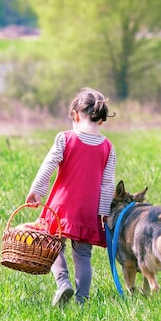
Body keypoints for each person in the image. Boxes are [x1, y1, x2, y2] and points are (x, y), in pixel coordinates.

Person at [26, 87, 116, 306]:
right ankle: (82, 300)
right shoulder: (108, 147)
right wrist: (103, 212)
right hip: (88, 211)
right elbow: (107, 183)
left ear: (75, 116)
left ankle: (63, 282)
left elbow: (48, 166)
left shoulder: (65, 138)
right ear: (100, 121)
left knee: (54, 245)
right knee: (83, 256)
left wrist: (37, 191)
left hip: (61, 206)